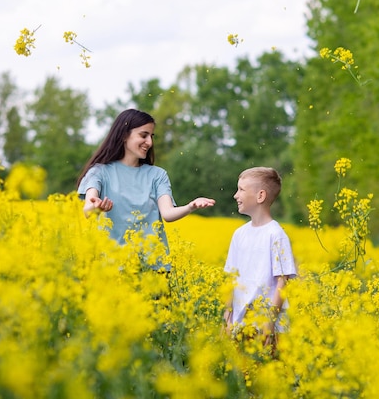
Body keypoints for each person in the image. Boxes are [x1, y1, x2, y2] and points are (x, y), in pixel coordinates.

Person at [76, 108, 215, 269]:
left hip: (154, 268)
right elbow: (88, 208)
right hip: (113, 269)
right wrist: (96, 207)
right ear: (124, 135)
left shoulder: (158, 175)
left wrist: (190, 206)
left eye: (151, 136)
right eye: (143, 135)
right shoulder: (99, 172)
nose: (149, 142)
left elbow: (168, 214)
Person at [223, 167, 297, 353]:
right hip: (240, 325)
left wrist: (269, 323)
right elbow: (231, 279)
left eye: (241, 190)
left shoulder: (276, 235)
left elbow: (283, 281)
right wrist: (227, 317)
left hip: (268, 326)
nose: (235, 195)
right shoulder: (239, 234)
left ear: (260, 196)